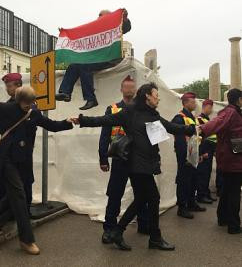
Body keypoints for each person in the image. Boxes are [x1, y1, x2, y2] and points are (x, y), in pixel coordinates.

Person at [73, 83, 195, 251]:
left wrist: (190, 129)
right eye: (155, 94)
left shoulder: (153, 115)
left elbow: (170, 126)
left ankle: (120, 232)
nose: (158, 97)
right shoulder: (130, 112)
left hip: (147, 164)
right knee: (151, 198)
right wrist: (82, 120)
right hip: (136, 165)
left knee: (143, 199)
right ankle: (153, 237)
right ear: (147, 96)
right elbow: (105, 120)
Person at [0, 86, 74, 254]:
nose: (29, 107)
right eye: (26, 104)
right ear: (18, 101)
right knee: (19, 196)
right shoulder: (5, 109)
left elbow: (51, 125)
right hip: (7, 159)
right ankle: (26, 240)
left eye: (31, 103)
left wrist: (68, 122)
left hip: (24, 161)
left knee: (13, 195)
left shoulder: (34, 112)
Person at [99, 76, 150, 244]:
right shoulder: (112, 109)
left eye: (132, 87)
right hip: (120, 158)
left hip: (138, 159)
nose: (129, 90)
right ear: (121, 89)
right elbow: (105, 135)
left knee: (142, 193)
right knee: (115, 194)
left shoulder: (142, 109)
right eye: (126, 87)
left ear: (135, 90)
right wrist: (103, 158)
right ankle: (109, 228)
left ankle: (143, 223)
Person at [55, 9, 132, 110]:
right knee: (74, 65)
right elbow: (82, 38)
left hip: (110, 58)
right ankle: (65, 93)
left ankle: (91, 99)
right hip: (97, 59)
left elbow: (126, 27)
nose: (99, 18)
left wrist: (124, 19)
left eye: (101, 16)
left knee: (84, 65)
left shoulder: (115, 26)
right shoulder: (96, 29)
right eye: (98, 16)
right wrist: (68, 35)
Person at [199, 88, 242, 234]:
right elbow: (216, 123)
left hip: (231, 158)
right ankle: (234, 225)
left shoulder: (233, 111)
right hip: (233, 160)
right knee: (234, 192)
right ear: (239, 100)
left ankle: (223, 218)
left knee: (227, 190)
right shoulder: (231, 112)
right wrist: (201, 129)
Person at [0, 73, 35, 210]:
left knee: (25, 182)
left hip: (24, 151)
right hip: (7, 152)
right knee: (5, 185)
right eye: (6, 86)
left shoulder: (30, 105)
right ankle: (6, 215)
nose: (7, 89)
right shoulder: (6, 106)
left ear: (19, 86)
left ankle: (24, 213)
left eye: (9, 86)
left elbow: (32, 128)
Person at [171, 92, 206, 219]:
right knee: (184, 181)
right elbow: (179, 140)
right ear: (185, 103)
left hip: (194, 155)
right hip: (185, 156)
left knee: (193, 179)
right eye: (192, 101)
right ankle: (182, 207)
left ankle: (191, 203)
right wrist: (184, 157)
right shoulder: (179, 118)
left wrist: (199, 154)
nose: (195, 103)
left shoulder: (193, 117)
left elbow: (197, 138)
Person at [196, 99, 217, 204]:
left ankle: (206, 193)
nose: (211, 109)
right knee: (202, 174)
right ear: (205, 107)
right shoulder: (200, 119)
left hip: (209, 150)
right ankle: (201, 195)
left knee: (207, 173)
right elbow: (200, 138)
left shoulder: (207, 119)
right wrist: (201, 153)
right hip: (204, 150)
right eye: (210, 107)